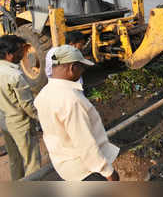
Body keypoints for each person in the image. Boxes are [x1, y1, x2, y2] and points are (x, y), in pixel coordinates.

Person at [35, 45, 120, 181]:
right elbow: (85, 144)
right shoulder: (71, 100)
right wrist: (108, 172)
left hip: (64, 163)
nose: (83, 72)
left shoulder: (44, 94)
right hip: (84, 169)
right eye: (82, 68)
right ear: (72, 68)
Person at [0, 35, 41, 180]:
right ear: (9, 54)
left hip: (5, 123)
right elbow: (28, 106)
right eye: (20, 51)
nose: (23, 54)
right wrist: (42, 119)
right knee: (32, 163)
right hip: (20, 124)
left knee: (15, 160)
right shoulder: (15, 76)